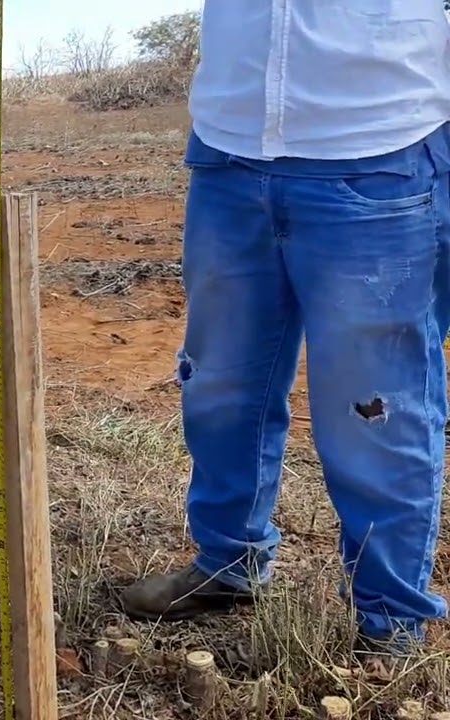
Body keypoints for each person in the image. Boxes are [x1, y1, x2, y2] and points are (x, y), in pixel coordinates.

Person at [120, 1, 450, 664]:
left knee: (374, 410)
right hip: (229, 146)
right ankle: (229, 562)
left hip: (380, 141)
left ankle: (390, 622)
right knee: (219, 383)